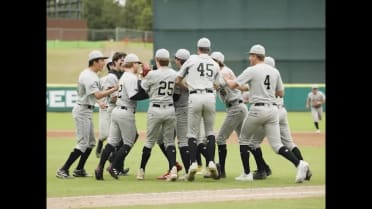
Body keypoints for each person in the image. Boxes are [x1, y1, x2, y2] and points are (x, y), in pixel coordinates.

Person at [223, 44, 310, 183]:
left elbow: (233, 85)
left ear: (255, 56)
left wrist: (225, 79)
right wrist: (263, 90)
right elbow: (281, 92)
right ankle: (299, 164)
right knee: (277, 145)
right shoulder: (274, 71)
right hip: (273, 110)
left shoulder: (252, 70)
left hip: (258, 109)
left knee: (244, 139)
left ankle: (246, 174)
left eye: (250, 55)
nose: (249, 58)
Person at [247, 56, 312, 181]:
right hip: (282, 110)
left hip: (271, 112)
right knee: (289, 143)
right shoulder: (276, 76)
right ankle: (305, 170)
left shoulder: (262, 77)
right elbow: (281, 92)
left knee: (252, 143)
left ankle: (263, 170)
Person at [56, 50, 118, 179]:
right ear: (94, 62)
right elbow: (97, 94)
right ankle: (63, 169)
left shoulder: (90, 74)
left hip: (86, 109)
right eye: (101, 61)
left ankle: (79, 169)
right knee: (83, 143)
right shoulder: (89, 76)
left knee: (90, 143)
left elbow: (91, 93)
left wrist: (99, 100)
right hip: (82, 111)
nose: (104, 63)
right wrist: (114, 89)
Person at [95, 53, 148, 180]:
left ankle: (99, 167)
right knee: (128, 142)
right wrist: (149, 94)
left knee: (112, 142)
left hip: (117, 110)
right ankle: (113, 166)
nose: (138, 66)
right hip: (126, 111)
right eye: (137, 63)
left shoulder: (124, 76)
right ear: (133, 64)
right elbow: (133, 96)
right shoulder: (130, 77)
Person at [176, 37, 221, 181]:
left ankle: (194, 163)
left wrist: (189, 87)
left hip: (194, 96)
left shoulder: (191, 60)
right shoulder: (215, 63)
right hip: (209, 97)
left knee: (192, 133)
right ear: (209, 49)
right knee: (209, 132)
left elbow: (177, 79)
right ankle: (211, 162)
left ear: (198, 48)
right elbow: (217, 85)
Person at [136, 48, 179, 181]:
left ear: (157, 60)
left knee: (149, 141)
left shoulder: (152, 74)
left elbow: (142, 88)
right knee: (169, 142)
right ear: (168, 60)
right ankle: (173, 170)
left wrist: (142, 75)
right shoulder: (174, 73)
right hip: (169, 109)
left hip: (155, 109)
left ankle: (141, 171)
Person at [211, 51, 249, 178]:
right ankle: (262, 167)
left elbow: (216, 86)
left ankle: (221, 170)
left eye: (212, 60)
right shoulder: (225, 71)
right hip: (239, 106)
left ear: (217, 61)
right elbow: (242, 86)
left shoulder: (222, 72)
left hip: (235, 107)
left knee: (220, 138)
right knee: (244, 140)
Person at [156, 48, 191, 180]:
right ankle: (174, 166)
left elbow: (175, 96)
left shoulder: (179, 74)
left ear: (177, 60)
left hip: (180, 110)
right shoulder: (192, 74)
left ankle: (184, 171)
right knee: (163, 139)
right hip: (188, 108)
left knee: (179, 141)